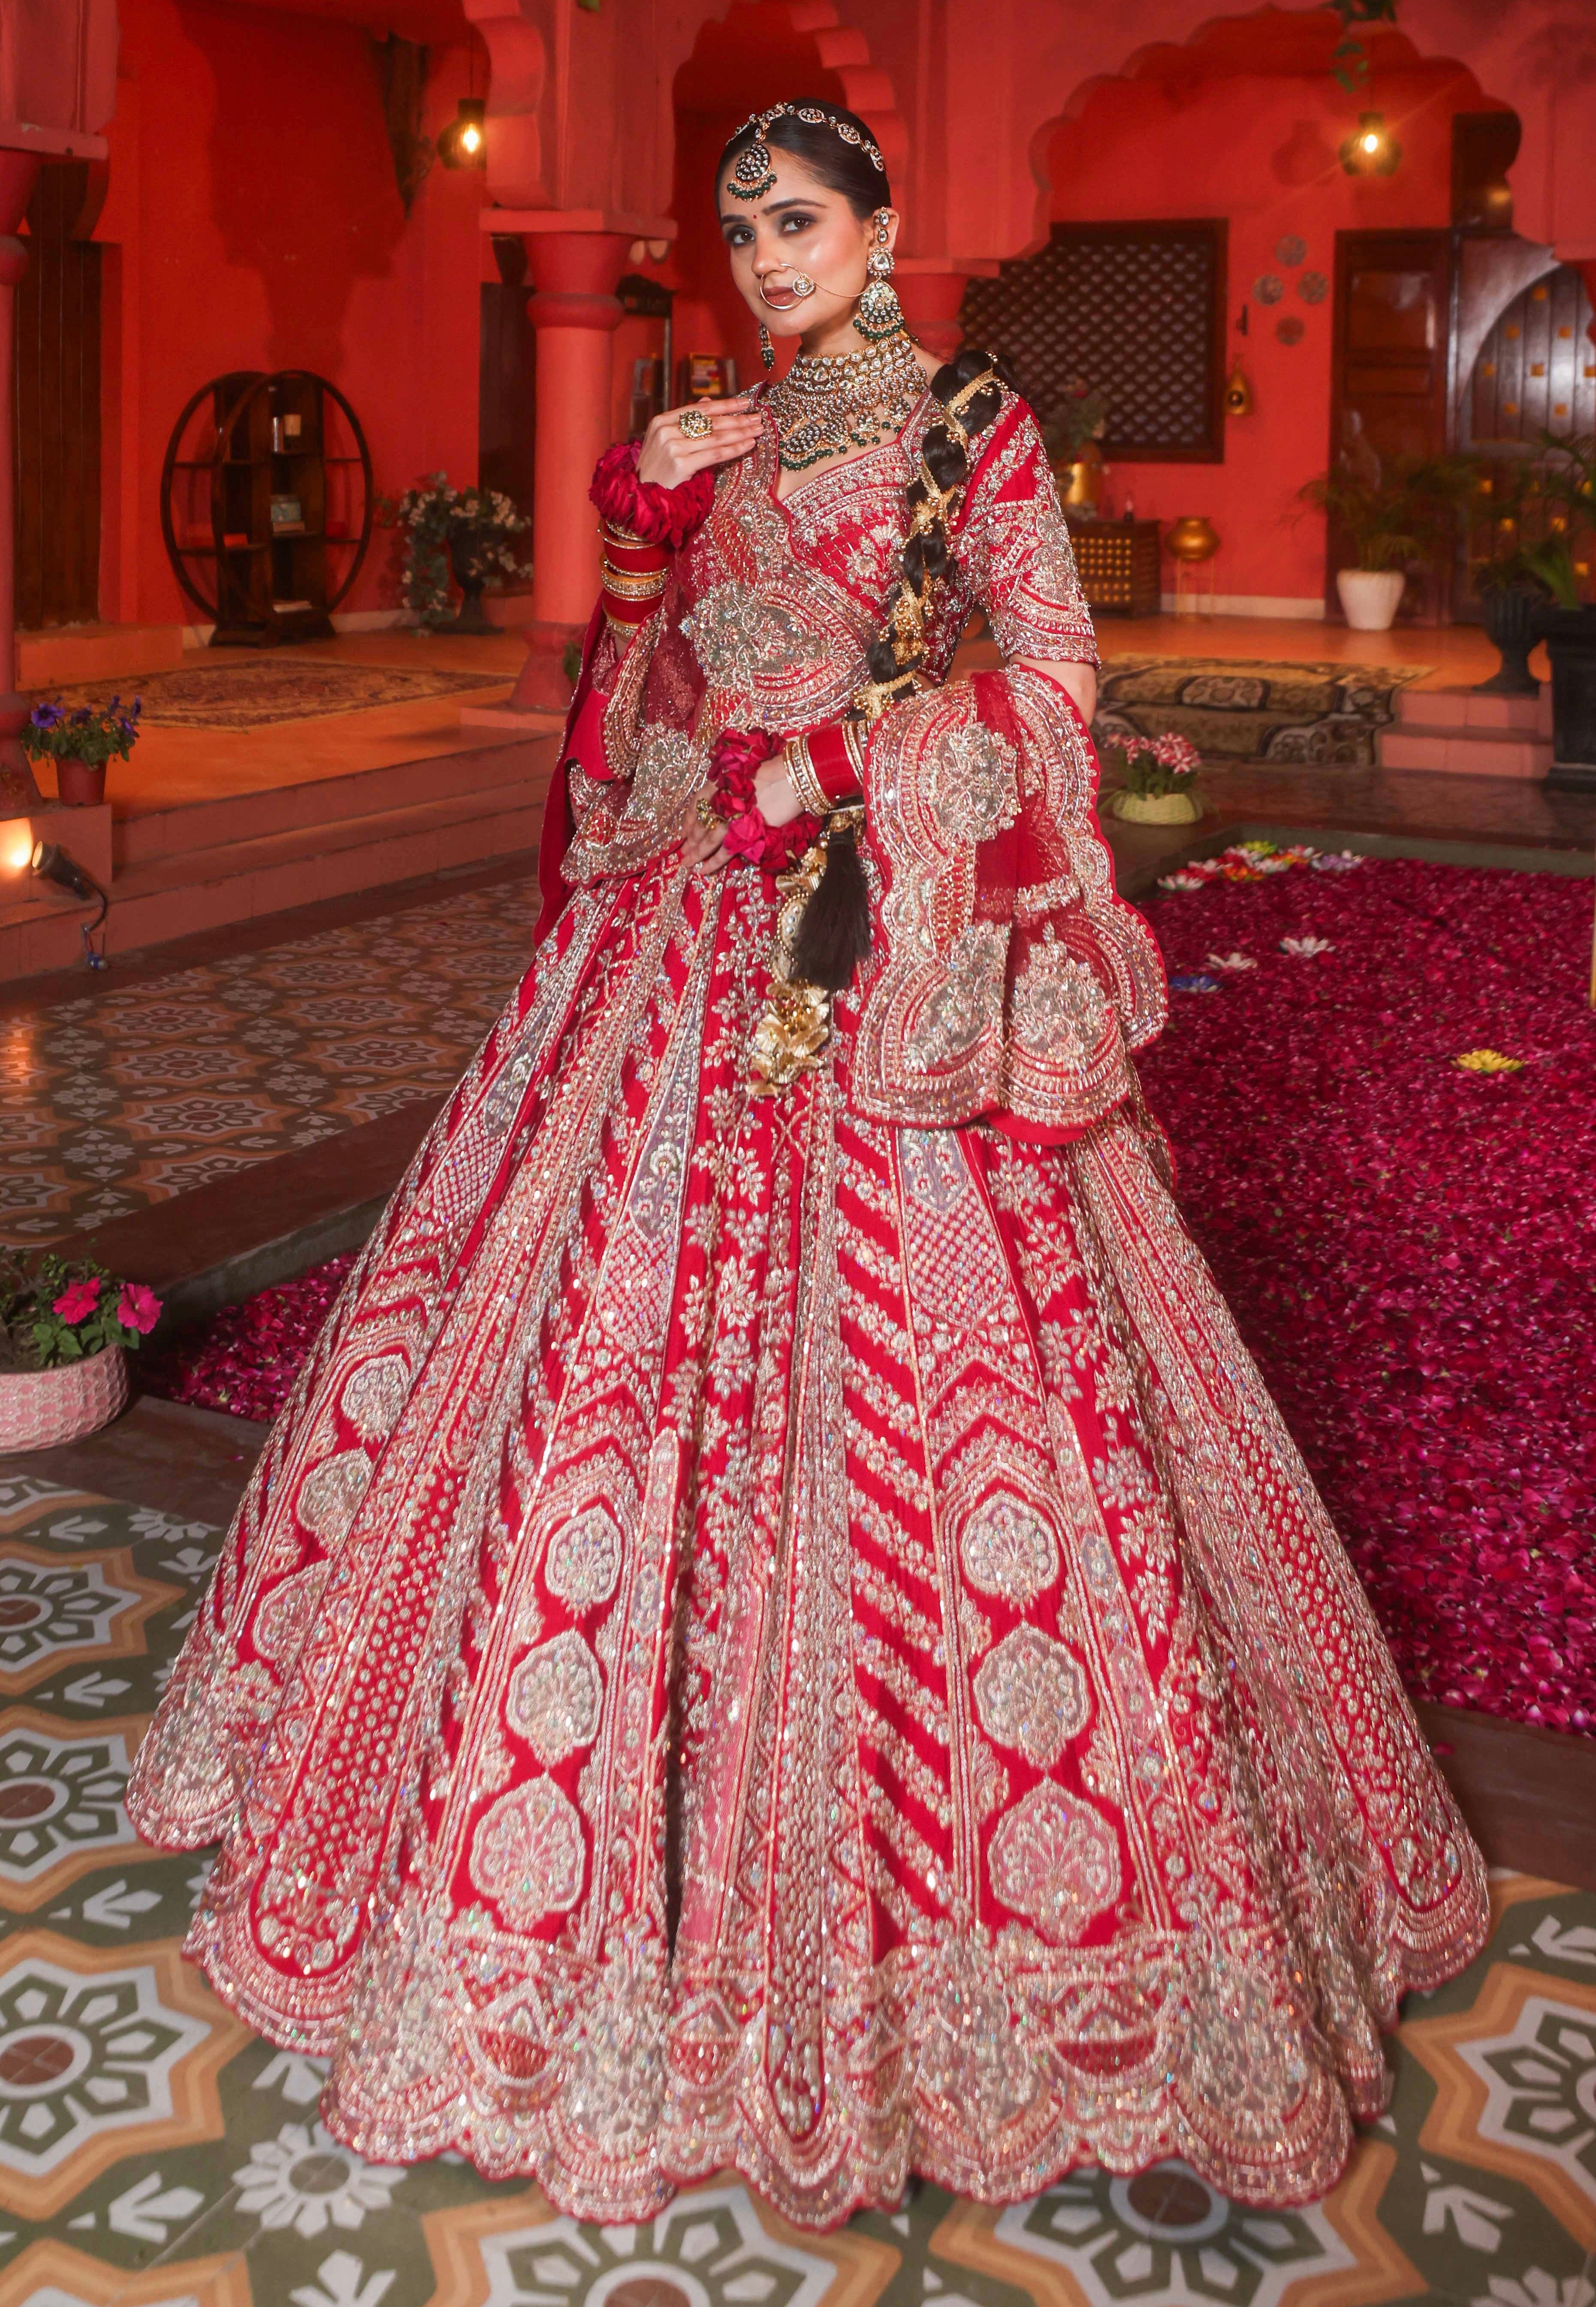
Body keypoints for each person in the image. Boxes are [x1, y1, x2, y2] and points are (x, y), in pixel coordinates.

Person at [129, 100, 1488, 2232]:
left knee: (952, 1399)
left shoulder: (974, 426)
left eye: (800, 219)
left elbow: (1049, 681)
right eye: (740, 225)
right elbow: (650, 685)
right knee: (589, 1358)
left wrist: (848, 761)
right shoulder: (718, 428)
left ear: (880, 229)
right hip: (683, 942)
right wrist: (651, 553)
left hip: (886, 944)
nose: (765, 254)